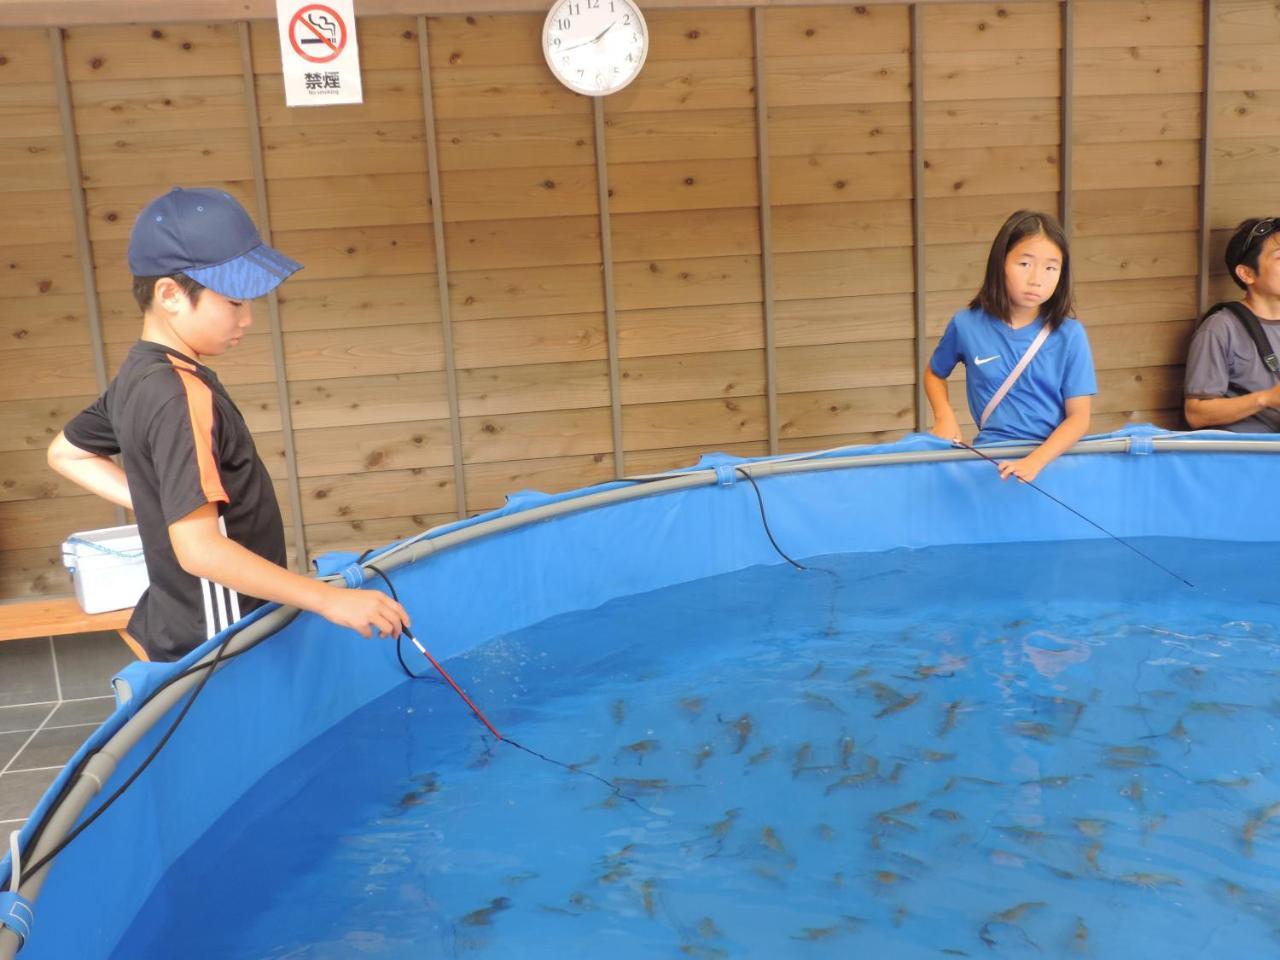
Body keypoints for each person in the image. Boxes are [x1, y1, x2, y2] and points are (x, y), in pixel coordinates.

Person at [47, 187, 408, 662]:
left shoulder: (140, 374)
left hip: (182, 619)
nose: (249, 319)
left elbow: (66, 452)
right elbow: (200, 552)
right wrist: (330, 599)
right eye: (235, 302)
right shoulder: (179, 393)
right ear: (170, 294)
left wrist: (157, 503)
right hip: (218, 633)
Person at [924, 209, 1096, 483]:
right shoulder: (966, 324)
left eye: (1051, 267)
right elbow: (934, 373)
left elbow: (1079, 418)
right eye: (1025, 264)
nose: (1037, 279)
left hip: (1054, 466)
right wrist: (944, 417)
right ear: (1000, 262)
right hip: (992, 465)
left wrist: (1034, 462)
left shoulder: (1070, 335)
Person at [1184, 217, 1280, 432]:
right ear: (1246, 273)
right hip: (1245, 460)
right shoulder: (1221, 328)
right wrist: (1265, 399)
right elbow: (1196, 414)